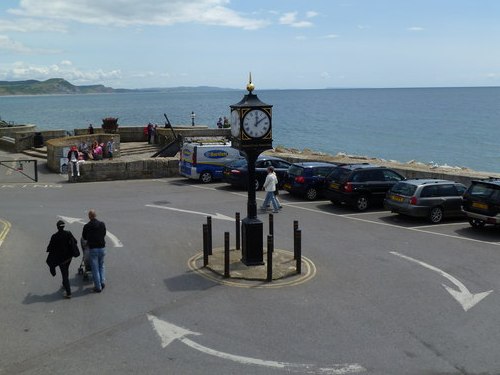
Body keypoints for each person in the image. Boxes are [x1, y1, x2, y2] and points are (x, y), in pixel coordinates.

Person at [46, 220, 79, 299]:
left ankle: (68, 293)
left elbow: (49, 248)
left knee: (64, 274)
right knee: (66, 270)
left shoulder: (54, 236)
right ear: (64, 226)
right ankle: (65, 284)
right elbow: (75, 241)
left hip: (61, 260)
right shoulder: (68, 233)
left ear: (57, 227)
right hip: (69, 257)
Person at [82, 209, 107, 293]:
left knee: (95, 268)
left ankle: (98, 287)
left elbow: (84, 237)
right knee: (101, 265)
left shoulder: (87, 226)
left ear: (89, 216)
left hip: (93, 249)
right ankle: (102, 282)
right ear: (96, 215)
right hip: (102, 248)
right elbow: (104, 233)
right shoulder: (102, 224)